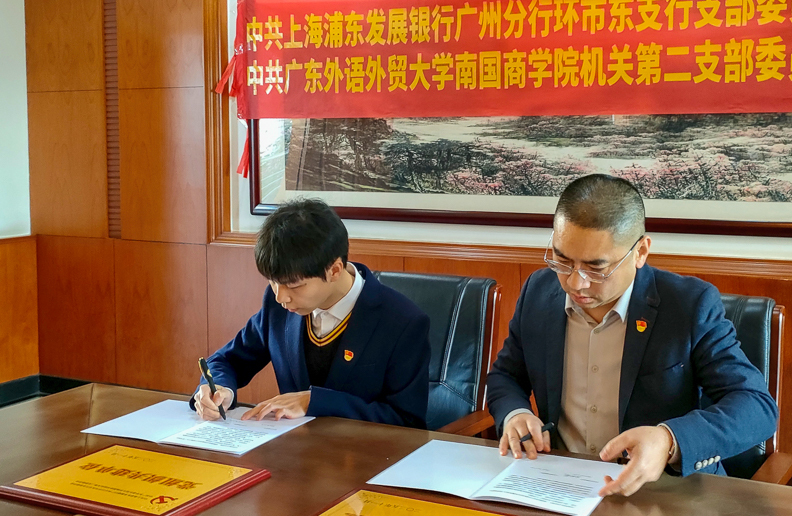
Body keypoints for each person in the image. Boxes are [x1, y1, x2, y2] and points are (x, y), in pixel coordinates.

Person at [487, 174, 778, 497]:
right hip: (560, 483)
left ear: (640, 252)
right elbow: (505, 376)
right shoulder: (538, 292)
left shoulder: (689, 305)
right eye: (562, 260)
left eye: (596, 269)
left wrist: (669, 440)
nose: (575, 283)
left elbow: (757, 407)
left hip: (662, 492)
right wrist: (515, 413)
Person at [191, 198, 430, 428]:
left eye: (294, 286)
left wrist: (314, 402)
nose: (280, 297)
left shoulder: (403, 322)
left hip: (363, 453)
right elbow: (226, 360)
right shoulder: (277, 305)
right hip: (291, 449)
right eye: (273, 282)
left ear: (334, 270)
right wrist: (219, 389)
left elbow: (407, 421)